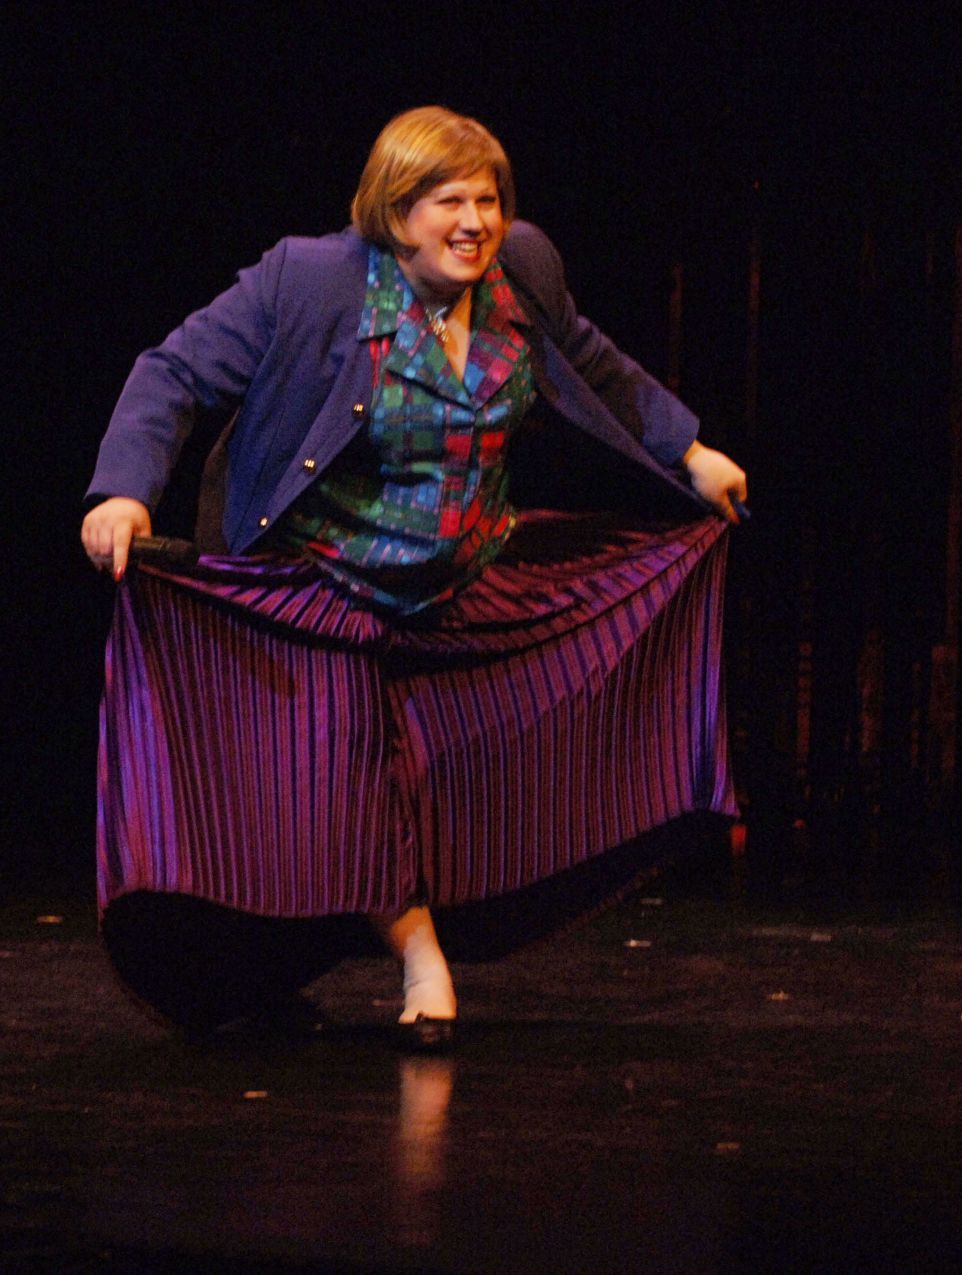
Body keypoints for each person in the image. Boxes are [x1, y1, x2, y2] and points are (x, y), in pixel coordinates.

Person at [81, 106, 746, 1049]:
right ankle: (419, 956)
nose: (475, 221)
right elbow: (173, 372)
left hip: (460, 580)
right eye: (449, 201)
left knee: (442, 779)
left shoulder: (522, 271)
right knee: (340, 778)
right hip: (321, 586)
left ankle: (305, 959)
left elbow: (592, 356)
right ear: (396, 212)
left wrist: (691, 450)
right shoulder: (311, 282)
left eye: (488, 199)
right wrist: (122, 493)